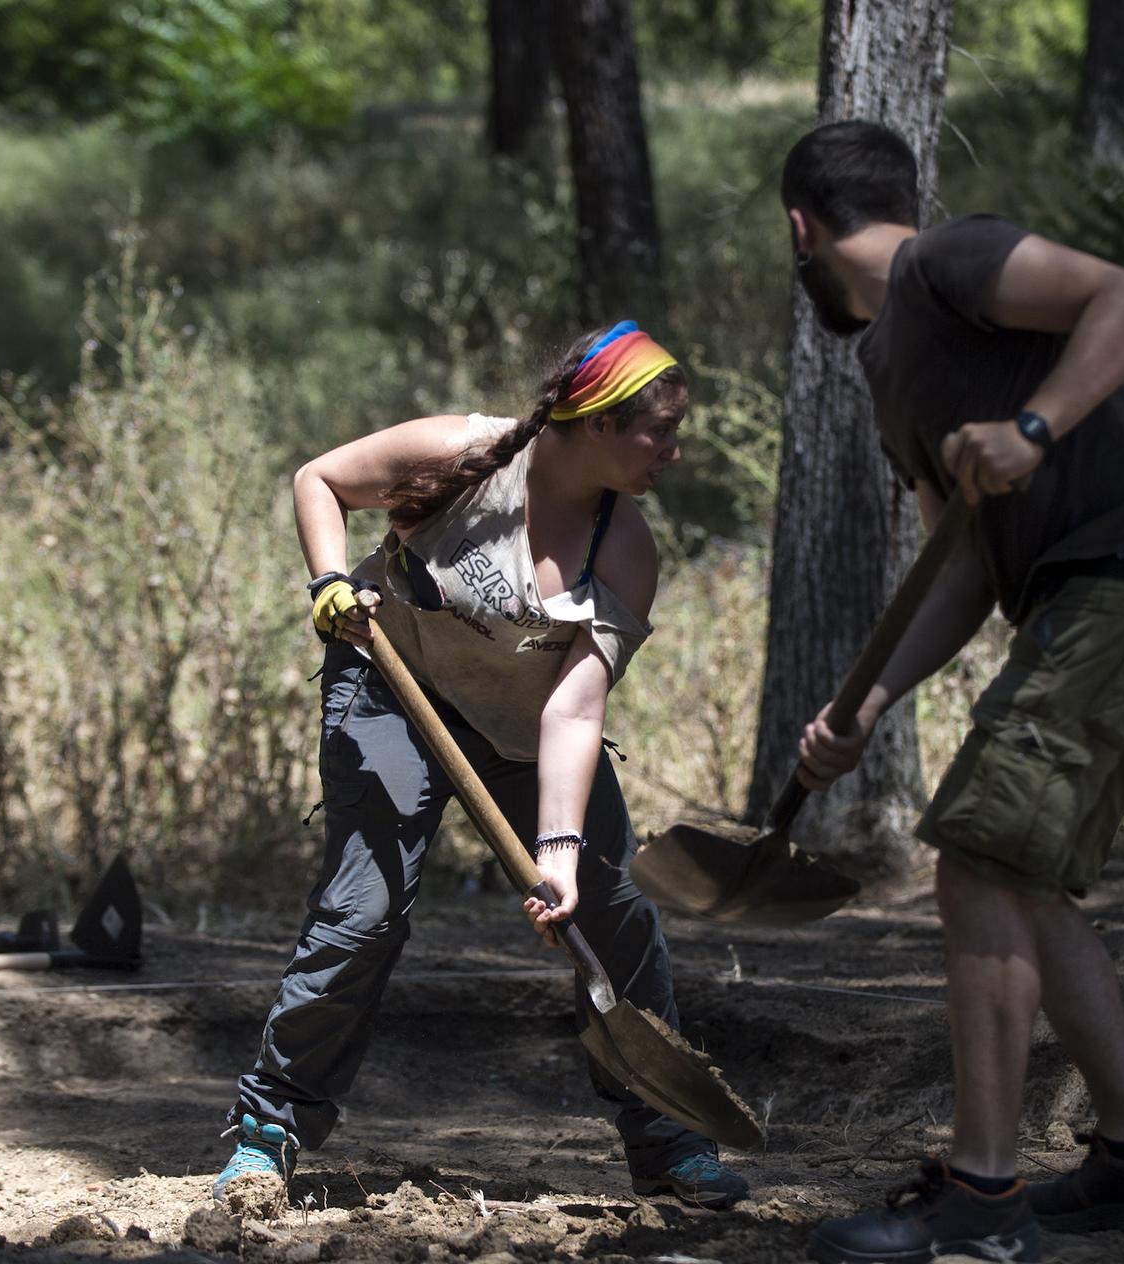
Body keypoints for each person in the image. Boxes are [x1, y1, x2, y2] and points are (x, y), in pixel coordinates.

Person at [776, 120, 1124, 1264]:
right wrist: (866, 699)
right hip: (1085, 603)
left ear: (799, 230)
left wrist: (1034, 426)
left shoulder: (946, 260)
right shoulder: (888, 369)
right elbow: (964, 562)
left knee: (976, 861)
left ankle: (980, 1190)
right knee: (1022, 885)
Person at [212, 322, 749, 1209]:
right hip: (392, 685)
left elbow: (573, 707)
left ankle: (669, 1144)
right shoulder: (462, 454)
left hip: (526, 732)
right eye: (659, 429)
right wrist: (329, 582)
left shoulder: (626, 548)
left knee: (612, 915)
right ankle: (268, 1129)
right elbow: (318, 480)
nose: (676, 451)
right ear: (598, 422)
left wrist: (562, 851)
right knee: (363, 911)